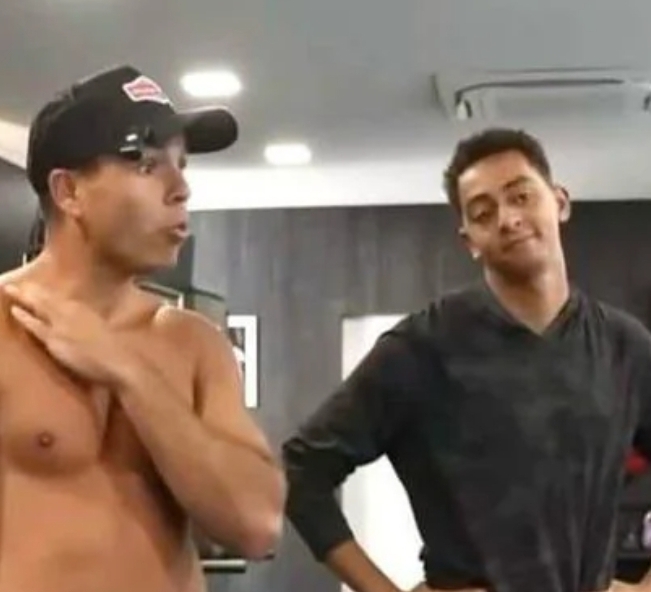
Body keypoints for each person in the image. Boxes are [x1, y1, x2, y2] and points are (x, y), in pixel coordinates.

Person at [282, 127, 651, 592]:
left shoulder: (623, 346)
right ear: (469, 239)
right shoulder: (420, 349)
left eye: (521, 196)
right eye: (483, 212)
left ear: (559, 202)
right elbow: (301, 471)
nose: (508, 219)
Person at [0, 65, 285, 592]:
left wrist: (126, 369)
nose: (181, 189)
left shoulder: (196, 343)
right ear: (69, 191)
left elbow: (255, 525)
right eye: (148, 165)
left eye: (182, 165)